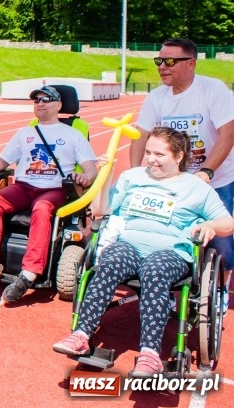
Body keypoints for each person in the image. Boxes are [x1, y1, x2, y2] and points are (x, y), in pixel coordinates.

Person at [53, 127, 234, 376]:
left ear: (179, 156)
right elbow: (101, 210)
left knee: (154, 270)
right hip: (129, 245)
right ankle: (81, 334)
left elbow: (228, 223)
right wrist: (106, 175)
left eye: (159, 154)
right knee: (108, 261)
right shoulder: (132, 177)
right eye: (148, 152)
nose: (150, 159)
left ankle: (150, 355)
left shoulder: (196, 187)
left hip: (170, 252)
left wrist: (210, 225)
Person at [130, 38, 234, 314]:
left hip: (217, 178)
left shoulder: (212, 90)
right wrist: (134, 173)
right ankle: (169, 286)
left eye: (170, 61)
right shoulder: (157, 97)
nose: (162, 66)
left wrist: (206, 172)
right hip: (173, 181)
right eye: (159, 61)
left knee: (220, 241)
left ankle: (220, 289)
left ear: (191, 63)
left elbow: (228, 134)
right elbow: (140, 135)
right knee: (168, 232)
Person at [0, 85, 98, 303]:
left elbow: (91, 168)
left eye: (46, 99)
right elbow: (3, 160)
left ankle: (29, 273)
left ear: (59, 105)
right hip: (24, 187)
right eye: (37, 100)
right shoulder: (25, 133)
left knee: (42, 208)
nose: (40, 103)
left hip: (54, 188)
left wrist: (85, 177)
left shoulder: (74, 135)